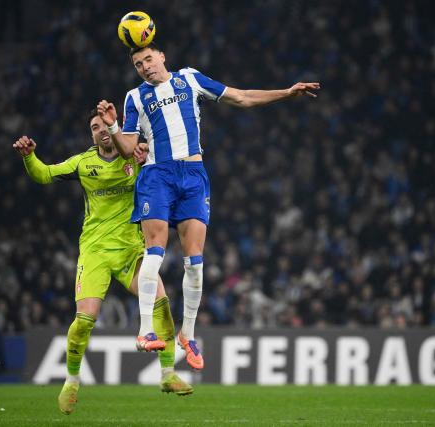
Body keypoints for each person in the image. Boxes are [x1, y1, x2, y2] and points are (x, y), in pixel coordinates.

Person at [97, 43, 320, 370]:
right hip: (157, 175)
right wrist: (114, 126)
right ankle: (145, 330)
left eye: (148, 59)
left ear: (162, 57)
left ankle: (187, 336)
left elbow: (241, 97)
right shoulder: (134, 98)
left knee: (195, 263)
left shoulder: (190, 79)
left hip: (193, 175)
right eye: (138, 64)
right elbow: (129, 147)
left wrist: (287, 93)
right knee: (154, 251)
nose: (145, 67)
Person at [13, 109, 192, 416]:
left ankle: (167, 375)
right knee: (84, 321)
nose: (101, 130)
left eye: (104, 125)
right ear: (91, 135)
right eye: (94, 128)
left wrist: (148, 151)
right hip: (95, 252)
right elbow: (44, 174)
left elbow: (165, 162)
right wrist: (30, 157)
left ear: (114, 128)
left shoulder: (133, 156)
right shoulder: (83, 163)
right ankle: (71, 381)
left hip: (131, 252)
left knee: (161, 301)